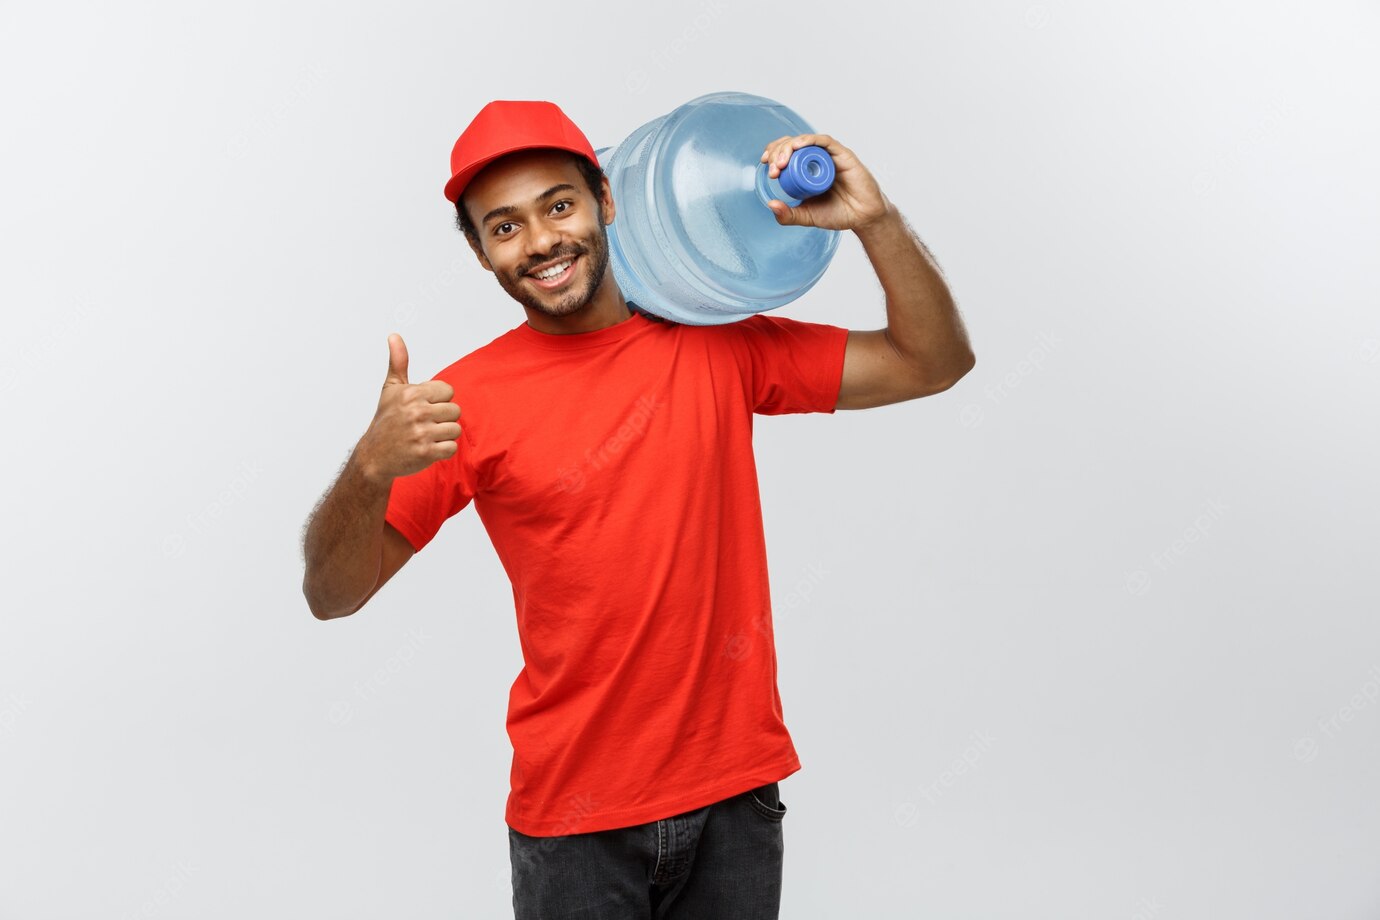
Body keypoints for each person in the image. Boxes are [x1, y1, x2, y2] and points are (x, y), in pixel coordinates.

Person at [301, 99, 975, 919]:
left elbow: (934, 362)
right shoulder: (460, 404)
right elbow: (332, 596)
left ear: (606, 201)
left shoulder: (717, 338)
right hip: (576, 827)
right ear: (482, 256)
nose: (543, 241)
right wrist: (367, 469)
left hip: (735, 797)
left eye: (558, 205)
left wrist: (877, 223)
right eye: (504, 227)